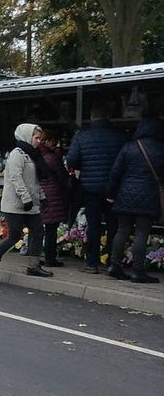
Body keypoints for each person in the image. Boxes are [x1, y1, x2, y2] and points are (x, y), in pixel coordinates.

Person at [0, 124, 53, 282]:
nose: (38, 141)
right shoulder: (17, 154)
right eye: (36, 138)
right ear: (27, 136)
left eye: (40, 138)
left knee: (38, 232)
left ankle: (33, 266)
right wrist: (26, 198)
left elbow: (34, 180)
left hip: (31, 204)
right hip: (15, 204)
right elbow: (16, 178)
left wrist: (41, 196)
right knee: (14, 236)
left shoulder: (33, 155)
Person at [66, 103, 129, 273]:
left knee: (93, 225)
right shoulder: (120, 135)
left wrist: (85, 166)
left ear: (92, 117)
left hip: (90, 187)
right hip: (114, 189)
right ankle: (112, 262)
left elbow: (71, 160)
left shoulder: (82, 136)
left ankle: (91, 263)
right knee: (113, 226)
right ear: (109, 117)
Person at [104, 117, 164, 283]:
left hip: (125, 195)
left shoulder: (129, 147)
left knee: (122, 230)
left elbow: (115, 172)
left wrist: (110, 194)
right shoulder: (161, 148)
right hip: (148, 197)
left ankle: (114, 265)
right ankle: (138, 271)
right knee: (141, 233)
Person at [38, 129, 70, 266]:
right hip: (52, 196)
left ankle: (35, 256)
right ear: (48, 141)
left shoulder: (36, 155)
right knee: (51, 229)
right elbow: (63, 176)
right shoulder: (51, 157)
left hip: (40, 194)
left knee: (38, 228)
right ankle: (50, 258)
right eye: (54, 142)